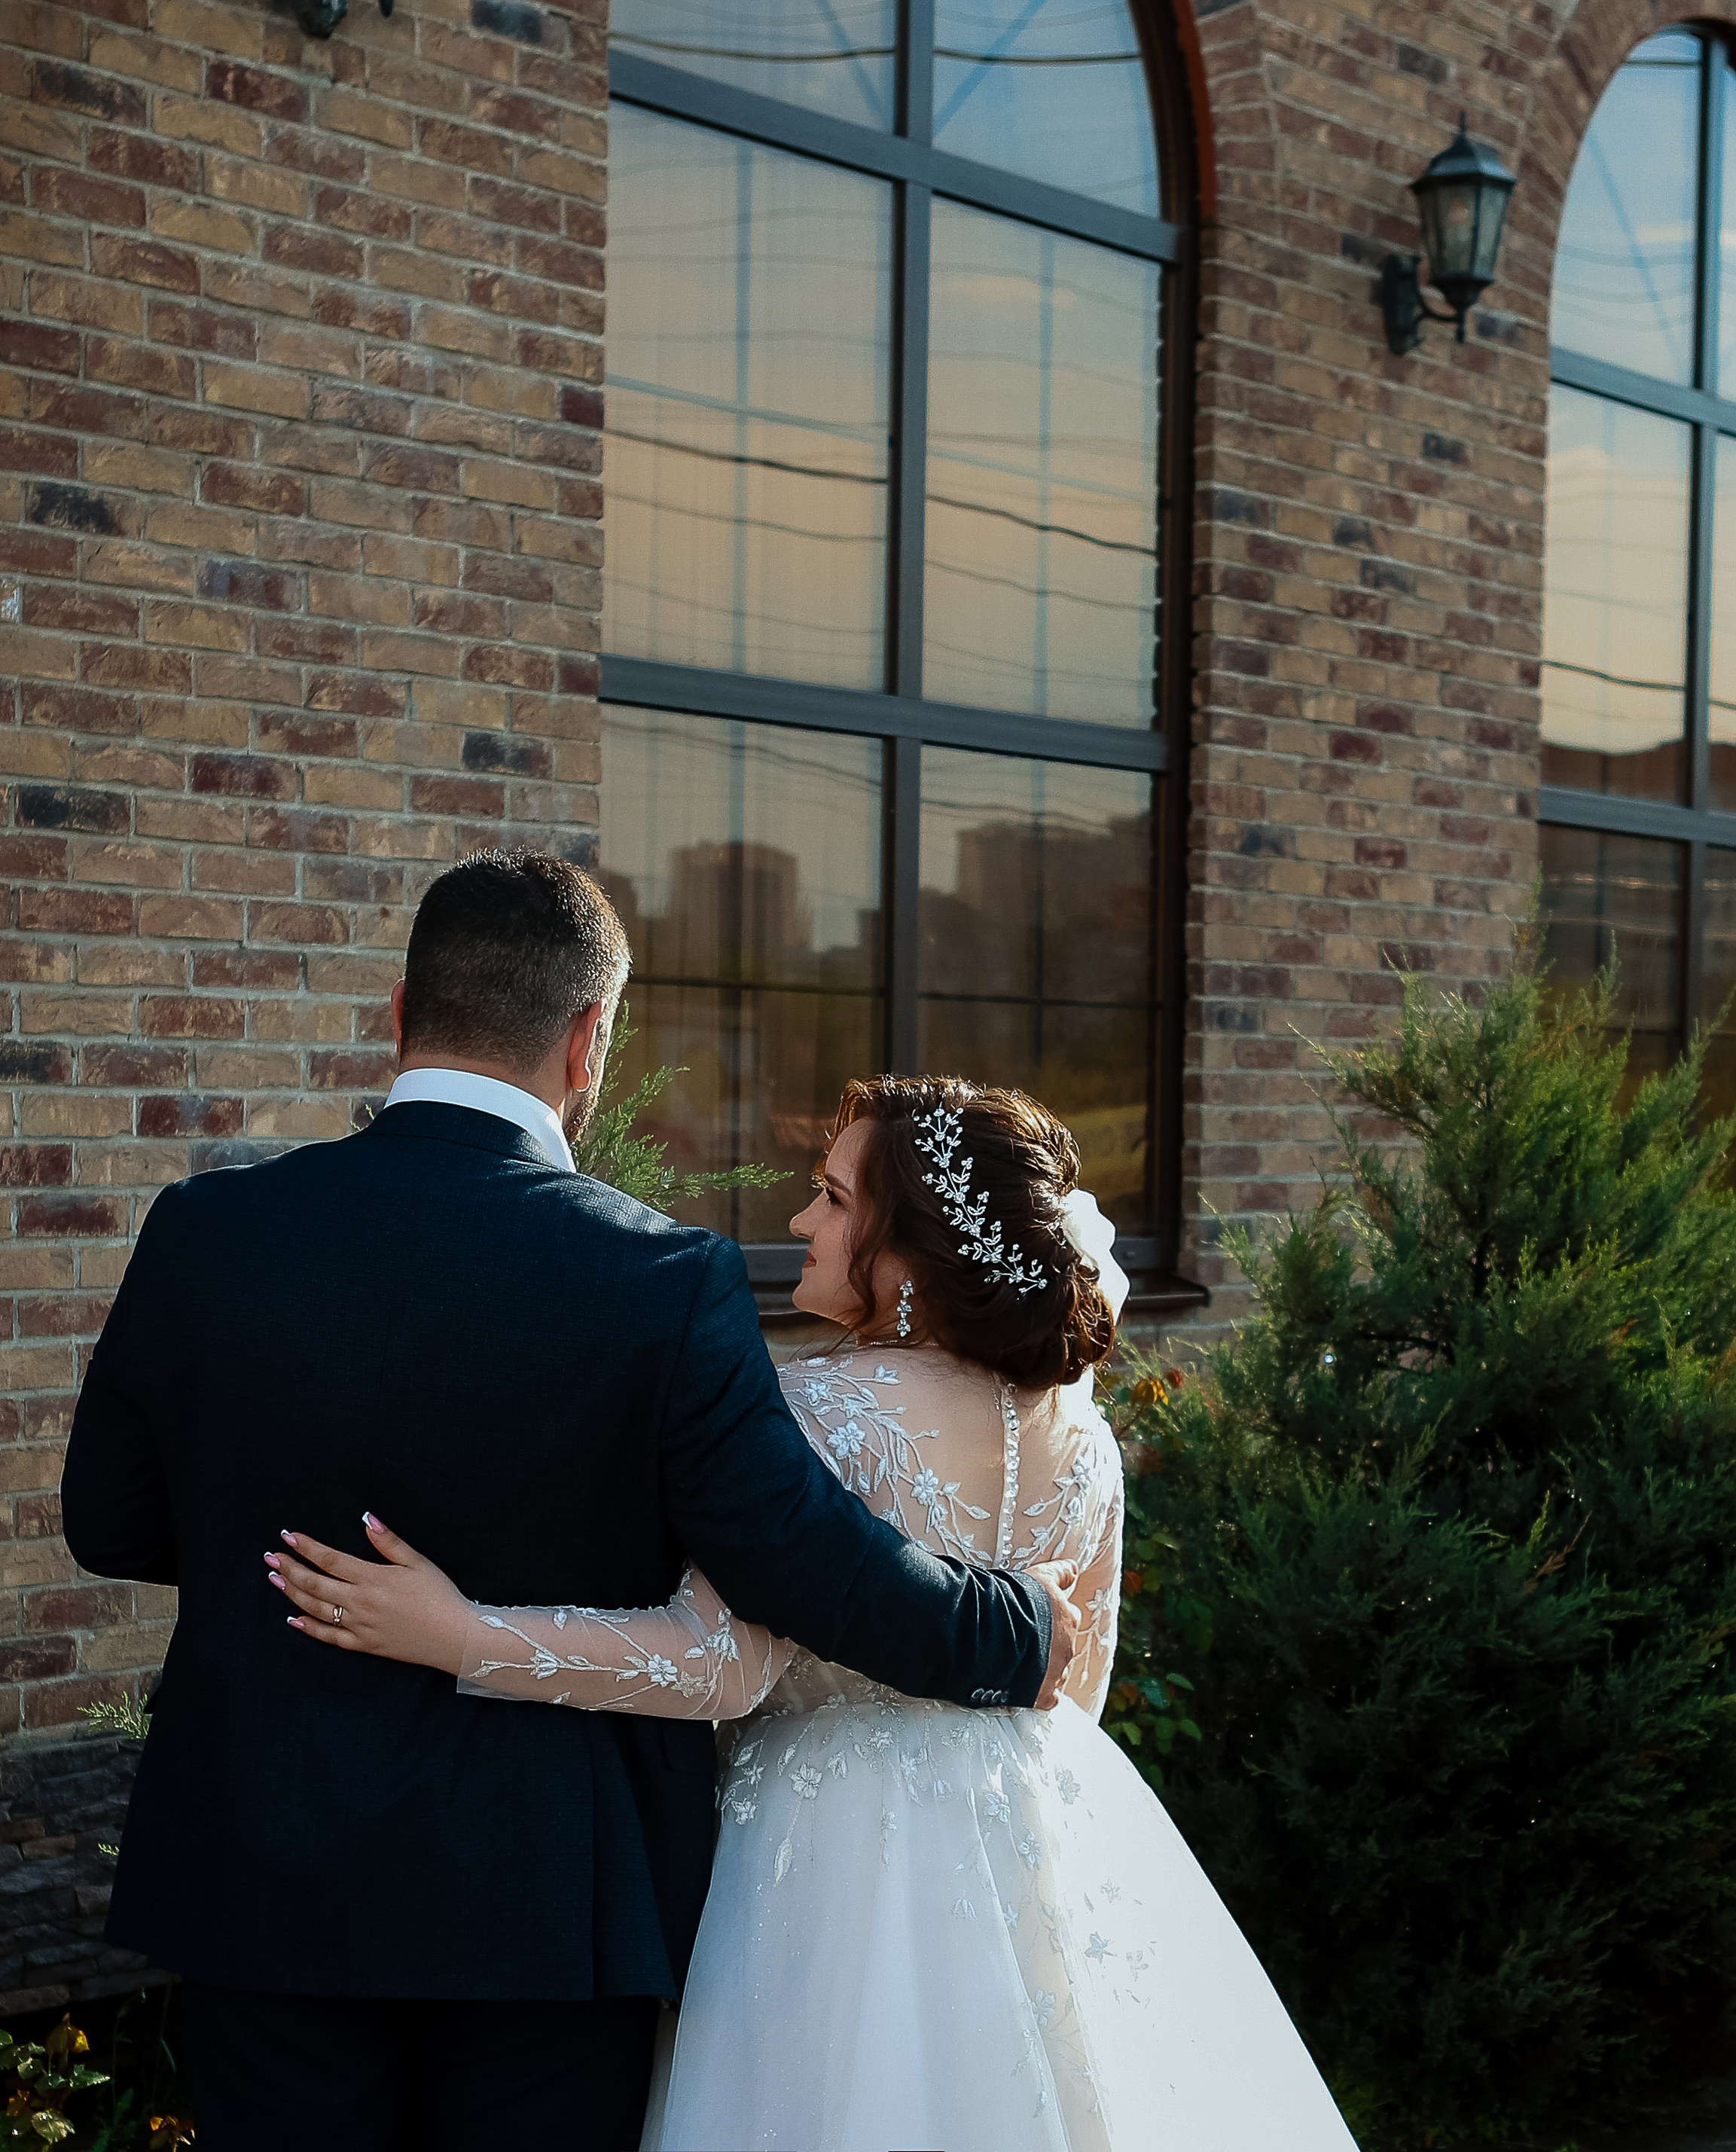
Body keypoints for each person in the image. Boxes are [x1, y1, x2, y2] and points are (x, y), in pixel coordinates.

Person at [59, 853, 1074, 2152]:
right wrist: (1013, 1631)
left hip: (264, 1871)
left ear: (400, 1013)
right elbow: (797, 1558)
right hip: (545, 1904)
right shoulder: (661, 1279)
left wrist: (279, 1554)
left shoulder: (205, 1228)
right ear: (589, 1040)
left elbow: (111, 1522)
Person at [270, 1074, 1359, 2152]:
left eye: (833, 1200)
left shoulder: (811, 1411)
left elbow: (718, 1667)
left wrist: (462, 1632)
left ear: (911, 1255)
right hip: (1046, 1847)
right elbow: (1078, 1687)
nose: (800, 1222)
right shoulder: (1090, 1441)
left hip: (827, 1872)